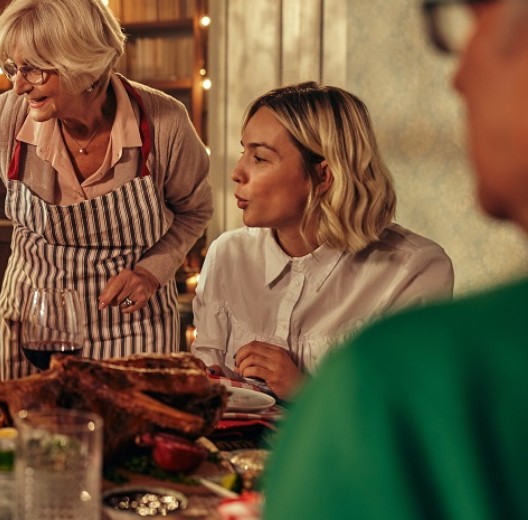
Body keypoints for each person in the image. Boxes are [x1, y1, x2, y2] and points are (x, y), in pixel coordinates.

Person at [263, 1, 528, 518]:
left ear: (324, 174)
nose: (457, 79)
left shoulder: (396, 381)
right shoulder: (230, 254)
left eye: (476, 16)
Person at [0, 0, 213, 379]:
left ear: (81, 63)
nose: (18, 86)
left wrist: (150, 272)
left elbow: (194, 211)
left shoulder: (165, 123)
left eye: (33, 69)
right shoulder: (6, 118)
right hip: (36, 325)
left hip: (134, 324)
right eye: (12, 68)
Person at [191, 83, 454, 400]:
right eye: (243, 152)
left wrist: (304, 389)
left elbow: (407, 412)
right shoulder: (227, 255)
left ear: (323, 176)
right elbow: (206, 379)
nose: (237, 172)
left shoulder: (413, 269)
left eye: (259, 157)